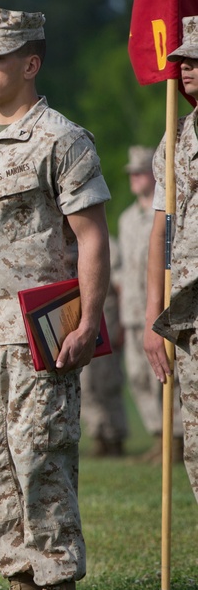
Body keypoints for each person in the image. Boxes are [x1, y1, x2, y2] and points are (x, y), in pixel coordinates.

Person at [0, 8, 110, 590]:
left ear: (31, 64)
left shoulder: (63, 139)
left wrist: (87, 320)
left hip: (39, 328)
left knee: (41, 455)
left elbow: (91, 237)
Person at [144, 15, 198, 590]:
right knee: (197, 447)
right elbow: (162, 229)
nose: (183, 68)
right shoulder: (175, 136)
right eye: (181, 59)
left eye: (196, 60)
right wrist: (150, 313)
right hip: (187, 313)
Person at [120, 146, 184, 462]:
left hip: (160, 307)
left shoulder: (165, 212)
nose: (134, 177)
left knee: (165, 375)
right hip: (132, 310)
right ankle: (158, 436)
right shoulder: (126, 219)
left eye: (139, 171)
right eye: (130, 173)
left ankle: (175, 439)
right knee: (137, 376)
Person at [80, 235, 128, 456]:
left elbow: (121, 288)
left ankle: (115, 437)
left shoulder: (108, 243)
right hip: (78, 325)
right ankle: (99, 435)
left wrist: (124, 323)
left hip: (106, 323)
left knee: (107, 382)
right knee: (86, 384)